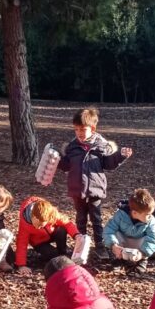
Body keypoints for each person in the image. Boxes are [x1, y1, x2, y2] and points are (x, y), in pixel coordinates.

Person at [56, 107, 132, 258]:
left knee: (96, 218)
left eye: (83, 129)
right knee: (80, 219)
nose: (79, 133)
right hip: (77, 189)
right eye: (76, 129)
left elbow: (109, 164)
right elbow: (66, 166)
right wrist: (57, 159)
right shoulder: (72, 147)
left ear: (93, 128)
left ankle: (99, 245)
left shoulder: (101, 146)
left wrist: (120, 156)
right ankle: (80, 246)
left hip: (95, 189)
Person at [104, 188, 155, 275]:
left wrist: (142, 253)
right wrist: (113, 245)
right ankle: (119, 258)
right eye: (148, 214)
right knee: (116, 232)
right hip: (122, 244)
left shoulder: (151, 221)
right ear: (135, 213)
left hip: (139, 246)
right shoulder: (120, 215)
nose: (150, 217)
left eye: (151, 214)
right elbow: (109, 230)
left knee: (148, 237)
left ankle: (142, 261)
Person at [15, 196, 78, 275]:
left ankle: (63, 253)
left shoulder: (51, 213)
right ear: (33, 216)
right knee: (53, 255)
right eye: (38, 225)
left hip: (52, 233)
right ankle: (58, 257)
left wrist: (76, 235)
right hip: (39, 242)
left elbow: (67, 223)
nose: (39, 228)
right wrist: (21, 265)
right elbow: (21, 243)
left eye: (42, 225)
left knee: (61, 230)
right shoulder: (25, 223)